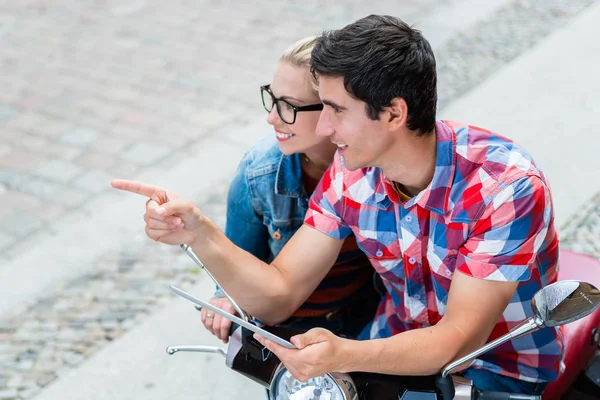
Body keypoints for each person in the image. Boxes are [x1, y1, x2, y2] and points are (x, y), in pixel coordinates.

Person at [112, 15, 560, 395]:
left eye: (335, 109)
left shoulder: (505, 187)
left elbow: (457, 341)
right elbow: (281, 293)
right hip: (390, 349)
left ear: (393, 113)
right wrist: (201, 233)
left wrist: (345, 352)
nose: (324, 127)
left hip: (497, 372)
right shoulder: (351, 170)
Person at [202, 36, 381, 343]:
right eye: (272, 99)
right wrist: (225, 297)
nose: (271, 117)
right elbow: (237, 256)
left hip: (367, 320)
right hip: (287, 329)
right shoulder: (258, 173)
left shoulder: (378, 168)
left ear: (333, 109)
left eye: (289, 106)